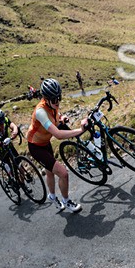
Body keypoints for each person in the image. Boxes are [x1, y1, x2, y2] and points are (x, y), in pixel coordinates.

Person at [26, 78, 87, 213]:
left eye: (59, 97)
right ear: (46, 98)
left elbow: (55, 116)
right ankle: (66, 201)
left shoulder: (52, 103)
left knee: (50, 172)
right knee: (63, 174)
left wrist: (61, 118)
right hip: (36, 147)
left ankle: (52, 196)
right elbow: (58, 134)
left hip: (45, 142)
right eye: (54, 99)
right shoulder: (40, 112)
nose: (57, 101)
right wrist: (80, 131)